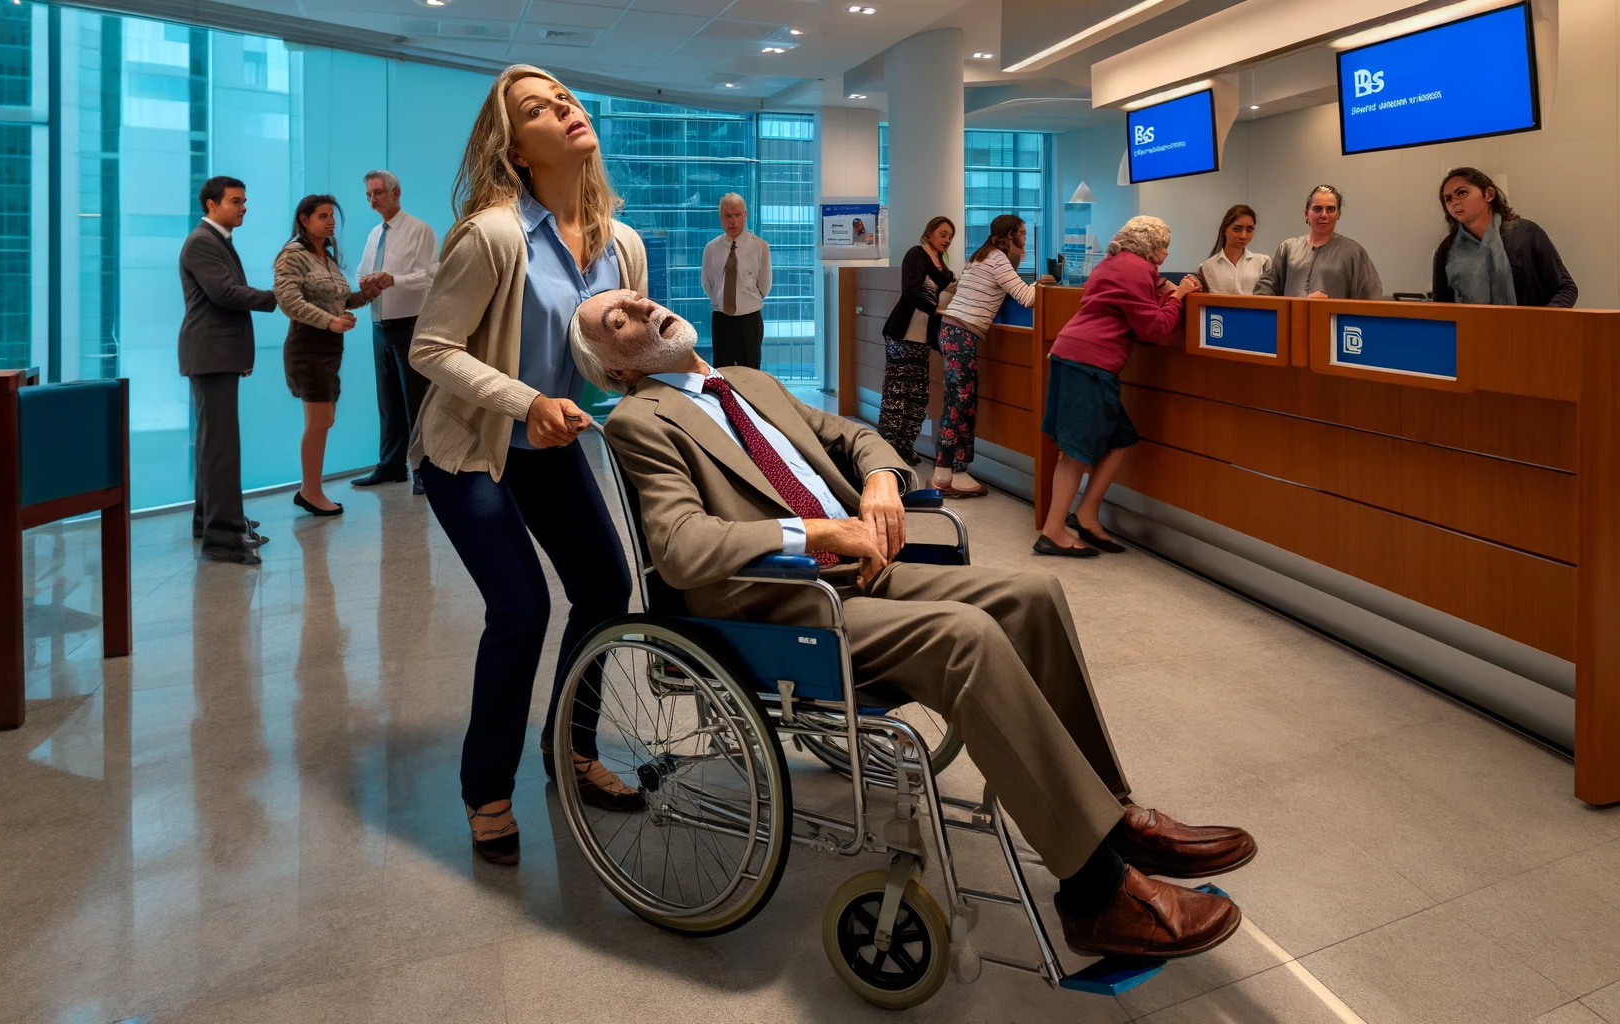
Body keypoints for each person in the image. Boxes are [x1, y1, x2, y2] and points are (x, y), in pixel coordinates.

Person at [569, 288, 1259, 961]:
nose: (639, 307)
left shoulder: (745, 381)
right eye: (617, 319)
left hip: (861, 572)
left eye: (633, 296)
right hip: (781, 607)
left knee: (1035, 595)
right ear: (617, 367)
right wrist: (817, 530)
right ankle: (1094, 894)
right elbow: (683, 548)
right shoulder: (641, 420)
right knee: (967, 639)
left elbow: (857, 434)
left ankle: (1110, 816)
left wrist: (879, 481)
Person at [406, 64, 650, 866]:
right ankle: (486, 792)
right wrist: (525, 402)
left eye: (568, 99)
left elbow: (624, 357)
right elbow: (430, 348)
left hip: (549, 445)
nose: (565, 111)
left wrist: (649, 371)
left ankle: (572, 750)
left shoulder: (623, 243)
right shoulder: (494, 234)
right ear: (515, 149)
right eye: (540, 110)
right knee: (520, 608)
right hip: (470, 451)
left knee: (605, 589)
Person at [1038, 216, 1197, 558]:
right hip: (1091, 362)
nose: (1166, 253)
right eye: (1163, 245)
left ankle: (1086, 513)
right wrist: (1179, 295)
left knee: (1120, 439)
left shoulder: (1112, 263)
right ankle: (1052, 531)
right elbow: (1154, 328)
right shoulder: (1138, 269)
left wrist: (1163, 290)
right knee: (1077, 451)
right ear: (1149, 246)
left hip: (1071, 353)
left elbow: (1129, 299)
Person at [178, 175, 277, 566]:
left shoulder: (216, 239)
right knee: (221, 447)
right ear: (211, 204)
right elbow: (226, 293)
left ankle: (212, 521)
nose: (243, 207)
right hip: (210, 355)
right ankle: (222, 538)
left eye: (244, 200)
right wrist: (278, 296)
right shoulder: (203, 242)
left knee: (214, 445)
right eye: (236, 201)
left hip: (215, 355)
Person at [933, 214, 1055, 498]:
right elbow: (1027, 298)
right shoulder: (998, 259)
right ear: (1011, 235)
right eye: (1023, 234)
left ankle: (953, 471)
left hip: (953, 331)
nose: (1026, 239)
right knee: (961, 402)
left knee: (961, 400)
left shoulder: (982, 255)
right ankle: (947, 473)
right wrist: (1044, 283)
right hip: (960, 333)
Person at [274, 194, 377, 519]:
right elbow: (287, 300)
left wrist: (371, 292)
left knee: (325, 420)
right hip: (307, 345)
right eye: (322, 216)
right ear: (304, 220)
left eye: (332, 215)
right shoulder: (293, 255)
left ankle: (311, 489)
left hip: (331, 347)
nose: (331, 221)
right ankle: (310, 491)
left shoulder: (327, 258)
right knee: (319, 421)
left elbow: (342, 300)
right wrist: (329, 321)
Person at [352, 169, 440, 494]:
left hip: (410, 325)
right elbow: (363, 271)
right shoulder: (374, 234)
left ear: (395, 192)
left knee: (416, 402)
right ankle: (391, 466)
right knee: (387, 402)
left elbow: (431, 276)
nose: (373, 200)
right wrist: (367, 282)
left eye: (377, 193)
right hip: (379, 325)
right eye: (368, 195)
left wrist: (393, 280)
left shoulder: (420, 230)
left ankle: (425, 471)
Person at [1431, 167, 1577, 308]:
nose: (1454, 202)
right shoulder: (1447, 248)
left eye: (1462, 193)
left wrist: (1540, 323)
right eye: (1448, 199)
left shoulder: (1525, 233)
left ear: (1489, 194)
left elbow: (1566, 288)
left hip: (1527, 329)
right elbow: (1440, 305)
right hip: (1469, 331)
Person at [876, 216, 956, 465]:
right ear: (929, 233)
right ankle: (885, 450)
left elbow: (953, 288)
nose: (947, 240)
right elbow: (910, 291)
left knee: (919, 396)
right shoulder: (916, 255)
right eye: (943, 234)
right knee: (897, 392)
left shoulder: (945, 268)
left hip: (923, 340)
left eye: (950, 236)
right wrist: (936, 309)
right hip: (902, 334)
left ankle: (904, 447)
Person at [1254, 185, 1383, 300]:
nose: (1324, 215)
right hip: (1292, 323)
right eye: (1317, 209)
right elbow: (1265, 289)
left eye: (1331, 209)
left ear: (1338, 214)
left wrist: (1331, 305)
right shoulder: (1288, 248)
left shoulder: (1353, 252)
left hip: (1333, 324)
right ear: (1306, 214)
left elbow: (1370, 296)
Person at [700, 192, 771, 369]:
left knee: (751, 371)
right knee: (722, 372)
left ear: (745, 215)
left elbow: (764, 286)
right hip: (721, 319)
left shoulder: (760, 247)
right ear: (721, 218)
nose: (733, 221)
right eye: (728, 216)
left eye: (738, 215)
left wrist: (746, 300)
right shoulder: (711, 248)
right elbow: (708, 283)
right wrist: (720, 300)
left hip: (750, 319)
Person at [1197, 204, 1270, 294]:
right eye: (1237, 229)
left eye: (1249, 229)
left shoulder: (1263, 262)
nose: (1243, 236)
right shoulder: (1207, 267)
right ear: (1225, 229)